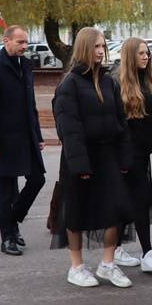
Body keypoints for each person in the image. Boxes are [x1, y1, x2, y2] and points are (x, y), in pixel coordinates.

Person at [51, 27, 133, 288]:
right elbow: (68, 127)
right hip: (81, 157)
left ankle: (108, 264)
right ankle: (76, 267)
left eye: (102, 46)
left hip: (108, 154)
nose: (101, 51)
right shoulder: (70, 84)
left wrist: (124, 158)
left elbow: (121, 122)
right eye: (96, 46)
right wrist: (80, 165)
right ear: (84, 48)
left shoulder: (109, 82)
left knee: (115, 209)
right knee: (76, 212)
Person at [0, 25, 46, 256]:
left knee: (37, 179)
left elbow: (31, 104)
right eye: (20, 42)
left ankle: (13, 220)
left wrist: (38, 135)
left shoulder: (25, 65)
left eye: (26, 42)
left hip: (27, 137)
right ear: (6, 41)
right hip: (3, 140)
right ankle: (7, 238)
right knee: (5, 191)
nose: (24, 46)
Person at [114, 37, 152, 273]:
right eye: (141, 53)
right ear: (130, 56)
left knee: (136, 202)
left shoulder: (150, 83)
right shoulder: (117, 84)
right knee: (134, 202)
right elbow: (115, 124)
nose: (146, 57)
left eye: (147, 53)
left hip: (141, 155)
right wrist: (121, 156)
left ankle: (130, 250)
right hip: (124, 156)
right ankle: (142, 252)